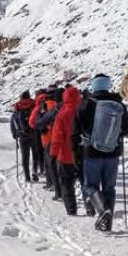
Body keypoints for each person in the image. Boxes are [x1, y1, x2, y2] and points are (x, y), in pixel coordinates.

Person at [73, 74, 128, 231]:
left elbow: (75, 129)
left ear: (94, 86)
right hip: (113, 153)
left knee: (89, 185)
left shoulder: (86, 104)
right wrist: (116, 137)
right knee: (109, 188)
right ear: (108, 85)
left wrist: (76, 152)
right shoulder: (118, 104)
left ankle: (102, 211)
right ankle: (108, 223)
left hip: (91, 152)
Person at [50, 85, 82, 215]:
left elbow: (57, 136)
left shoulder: (62, 113)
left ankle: (71, 208)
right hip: (82, 153)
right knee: (85, 182)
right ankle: (90, 206)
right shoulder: (82, 110)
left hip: (65, 155)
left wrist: (53, 153)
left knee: (66, 183)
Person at [35, 85, 62, 201]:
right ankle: (63, 190)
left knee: (52, 166)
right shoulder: (61, 105)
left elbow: (36, 123)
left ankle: (57, 191)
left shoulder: (43, 105)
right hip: (61, 139)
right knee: (60, 166)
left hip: (48, 139)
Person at [10, 91, 38, 183]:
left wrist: (15, 135)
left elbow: (12, 122)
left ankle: (27, 176)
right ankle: (35, 172)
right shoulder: (34, 105)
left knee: (25, 157)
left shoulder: (17, 107)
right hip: (33, 134)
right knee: (35, 154)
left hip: (22, 136)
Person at [28, 89, 48, 183]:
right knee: (47, 153)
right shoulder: (51, 104)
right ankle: (46, 171)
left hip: (36, 133)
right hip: (48, 133)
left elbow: (31, 123)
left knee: (36, 153)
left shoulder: (37, 107)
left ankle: (35, 171)